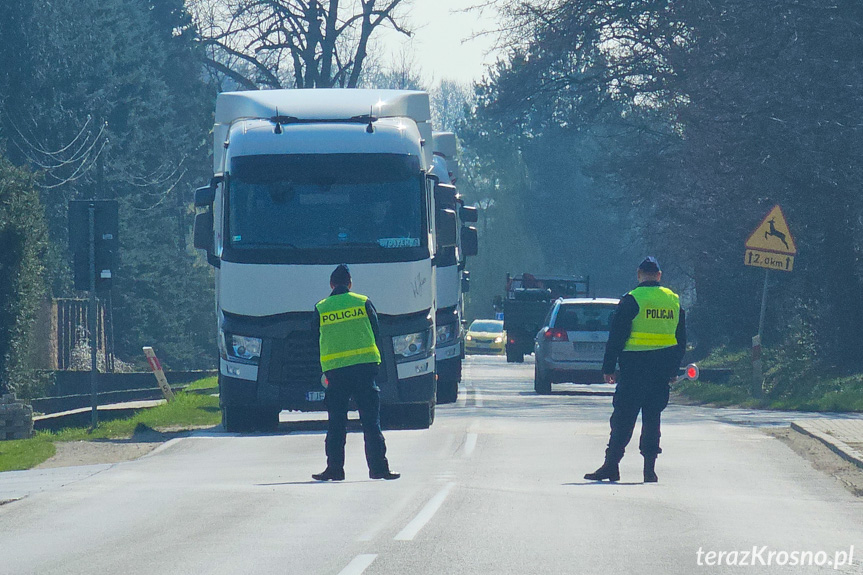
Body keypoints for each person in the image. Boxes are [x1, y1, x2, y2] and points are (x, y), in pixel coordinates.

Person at [585, 257, 686, 483]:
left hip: (634, 369)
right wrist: (673, 370)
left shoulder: (632, 300)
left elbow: (617, 336)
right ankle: (649, 470)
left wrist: (608, 367)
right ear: (659, 275)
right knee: (653, 418)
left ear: (639, 274)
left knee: (623, 418)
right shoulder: (673, 301)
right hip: (661, 371)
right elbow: (681, 340)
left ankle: (611, 466)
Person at [312, 264, 400, 481]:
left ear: (331, 284)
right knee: (371, 423)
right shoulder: (362, 302)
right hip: (364, 370)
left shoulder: (321, 307)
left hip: (336, 373)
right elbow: (376, 331)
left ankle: (334, 469)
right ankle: (379, 469)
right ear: (350, 283)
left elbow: (314, 338)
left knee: (336, 424)